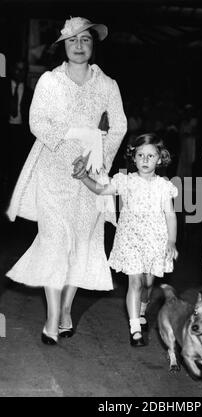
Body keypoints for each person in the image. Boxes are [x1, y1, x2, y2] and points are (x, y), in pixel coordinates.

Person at [6, 17, 127, 345]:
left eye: (85, 39)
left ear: (92, 45)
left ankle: (67, 310)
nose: (78, 45)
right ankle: (52, 317)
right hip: (53, 169)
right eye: (72, 40)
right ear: (63, 46)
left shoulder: (107, 84)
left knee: (82, 245)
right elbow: (36, 121)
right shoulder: (49, 81)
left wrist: (95, 157)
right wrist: (66, 148)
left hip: (90, 174)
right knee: (55, 241)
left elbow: (118, 127)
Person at [73, 133, 178, 347]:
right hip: (130, 239)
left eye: (151, 155)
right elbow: (101, 190)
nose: (145, 160)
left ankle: (141, 310)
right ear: (134, 157)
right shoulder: (125, 181)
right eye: (141, 155)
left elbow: (170, 215)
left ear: (159, 159)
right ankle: (135, 329)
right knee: (135, 281)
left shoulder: (163, 186)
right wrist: (84, 177)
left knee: (148, 284)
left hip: (155, 240)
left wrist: (172, 241)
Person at [0, 59, 34, 202]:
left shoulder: (29, 92)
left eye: (23, 70)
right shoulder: (2, 88)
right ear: (11, 70)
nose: (20, 73)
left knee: (17, 165)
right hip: (4, 130)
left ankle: (12, 196)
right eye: (17, 70)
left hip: (20, 133)